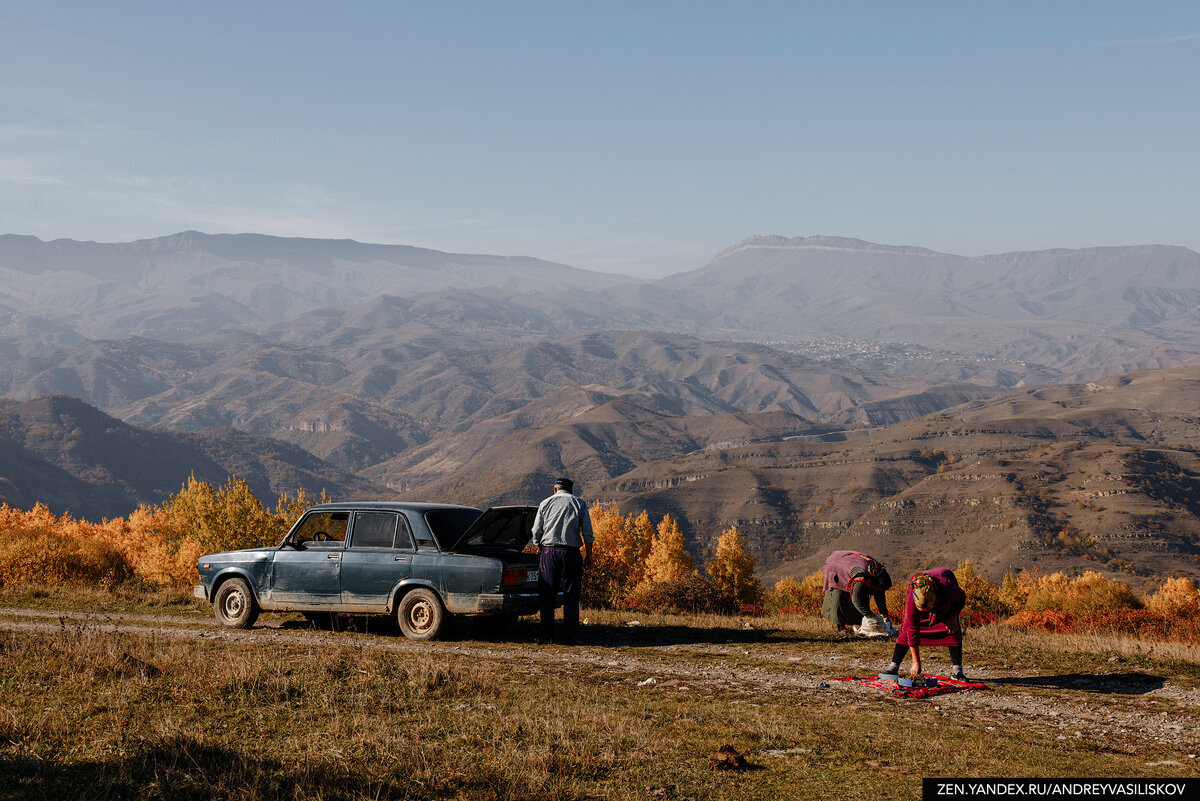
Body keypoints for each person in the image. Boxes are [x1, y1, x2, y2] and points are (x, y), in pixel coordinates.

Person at [531, 477, 593, 645]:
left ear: (555, 489)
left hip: (549, 551)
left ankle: (546, 635)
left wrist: (539, 547)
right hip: (571, 553)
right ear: (571, 490)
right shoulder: (579, 503)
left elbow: (536, 530)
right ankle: (569, 637)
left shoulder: (545, 503)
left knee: (547, 594)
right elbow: (587, 532)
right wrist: (589, 555)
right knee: (571, 595)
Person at [884, 568, 968, 681]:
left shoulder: (947, 588)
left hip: (943, 604)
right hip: (926, 603)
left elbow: (961, 597)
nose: (926, 613)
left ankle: (958, 672)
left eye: (927, 609)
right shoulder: (912, 599)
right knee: (906, 630)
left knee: (952, 630)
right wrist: (916, 662)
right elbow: (912, 629)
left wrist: (952, 617)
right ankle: (893, 667)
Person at [821, 550, 895, 636]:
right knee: (839, 596)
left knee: (862, 597)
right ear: (875, 584)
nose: (878, 592)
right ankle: (841, 627)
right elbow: (856, 599)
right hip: (837, 565)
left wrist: (885, 615)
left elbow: (880, 595)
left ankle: (857, 623)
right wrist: (871, 616)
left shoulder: (879, 575)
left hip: (851, 564)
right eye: (878, 589)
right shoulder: (862, 577)